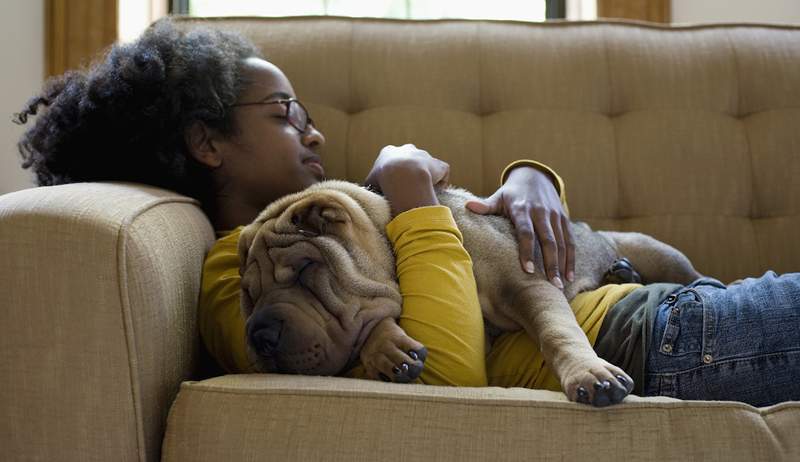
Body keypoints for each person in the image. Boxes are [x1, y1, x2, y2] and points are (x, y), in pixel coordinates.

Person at [15, 19, 799, 408]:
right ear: (206, 142)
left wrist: (532, 178)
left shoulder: (331, 212)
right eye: (286, 112)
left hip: (647, 306)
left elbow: (478, 245)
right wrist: (413, 194)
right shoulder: (232, 268)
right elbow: (448, 367)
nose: (313, 130)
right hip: (646, 340)